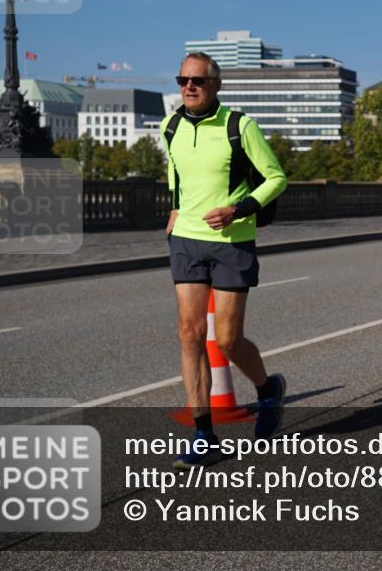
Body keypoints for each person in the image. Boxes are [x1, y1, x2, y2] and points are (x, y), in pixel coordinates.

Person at [162, 52, 289, 468]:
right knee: (189, 333)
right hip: (187, 240)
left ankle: (268, 388)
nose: (189, 87)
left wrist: (239, 209)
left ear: (216, 85)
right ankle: (204, 435)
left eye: (197, 80)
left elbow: (276, 178)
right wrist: (176, 207)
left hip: (233, 240)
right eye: (183, 80)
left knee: (227, 340)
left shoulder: (240, 126)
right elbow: (176, 173)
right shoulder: (171, 125)